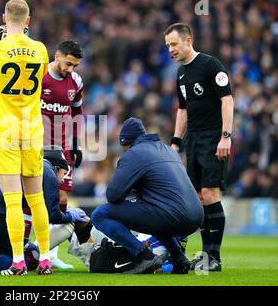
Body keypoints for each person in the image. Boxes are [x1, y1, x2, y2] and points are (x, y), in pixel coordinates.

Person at [0, 0, 52, 275]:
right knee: (37, 198)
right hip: (32, 129)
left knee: (13, 200)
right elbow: (41, 77)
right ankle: (45, 260)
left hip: (5, 130)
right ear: (28, 21)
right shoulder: (40, 49)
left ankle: (18, 261)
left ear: (4, 18)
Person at [91, 117, 204, 274]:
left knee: (100, 214)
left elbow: (113, 195)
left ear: (127, 143)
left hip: (172, 214)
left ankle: (144, 256)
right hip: (196, 216)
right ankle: (178, 256)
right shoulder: (167, 149)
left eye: (125, 146)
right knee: (155, 211)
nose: (125, 150)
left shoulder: (134, 153)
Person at [164, 22, 234, 271]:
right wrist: (175, 142)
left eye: (173, 44)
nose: (170, 49)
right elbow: (182, 110)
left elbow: (227, 100)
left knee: (210, 194)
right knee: (198, 199)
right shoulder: (181, 73)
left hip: (213, 138)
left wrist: (226, 136)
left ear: (188, 41)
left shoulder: (210, 65)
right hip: (193, 140)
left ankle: (214, 258)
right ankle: (207, 257)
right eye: (167, 46)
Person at [0, 146, 88, 271]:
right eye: (64, 174)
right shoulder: (49, 173)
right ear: (57, 167)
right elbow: (52, 214)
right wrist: (70, 216)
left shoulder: (30, 162)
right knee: (20, 260)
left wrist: (25, 242)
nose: (62, 180)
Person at [35, 40, 84, 269]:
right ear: (57, 56)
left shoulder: (76, 82)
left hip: (61, 147)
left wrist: (75, 144)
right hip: (36, 145)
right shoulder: (39, 75)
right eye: (68, 63)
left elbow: (77, 110)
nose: (70, 69)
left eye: (74, 65)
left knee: (62, 200)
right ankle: (32, 250)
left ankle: (51, 254)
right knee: (35, 199)